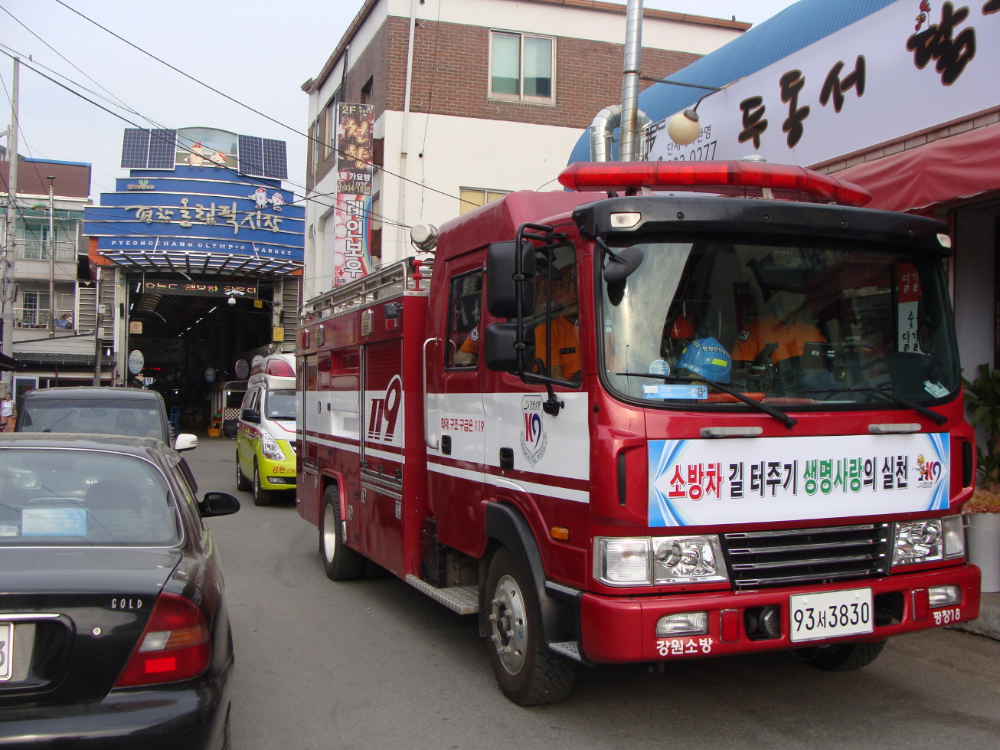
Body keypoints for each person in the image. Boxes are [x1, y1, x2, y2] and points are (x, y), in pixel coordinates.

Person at [731, 290, 825, 365]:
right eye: (782, 296)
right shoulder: (753, 330)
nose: (788, 300)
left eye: (792, 296)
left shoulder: (811, 332)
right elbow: (741, 372)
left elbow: (827, 366)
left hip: (808, 387)